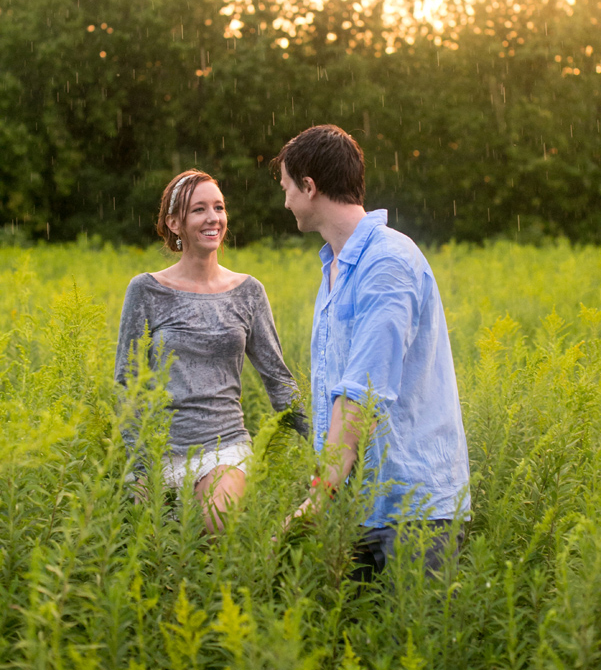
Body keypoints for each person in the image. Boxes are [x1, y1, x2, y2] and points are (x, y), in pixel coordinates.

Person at [272, 125, 470, 579]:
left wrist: (318, 496)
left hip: (413, 510)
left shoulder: (387, 262)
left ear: (309, 186)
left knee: (415, 645)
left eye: (287, 188)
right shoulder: (335, 265)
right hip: (358, 506)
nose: (284, 202)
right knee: (358, 647)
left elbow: (363, 389)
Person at [115, 169, 307, 533]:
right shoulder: (146, 291)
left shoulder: (248, 292)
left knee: (211, 525)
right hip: (158, 450)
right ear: (174, 223)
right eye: (198, 209)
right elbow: (127, 382)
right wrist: (141, 466)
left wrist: (323, 448)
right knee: (154, 556)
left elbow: (278, 380)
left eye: (218, 207)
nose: (213, 218)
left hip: (225, 448)